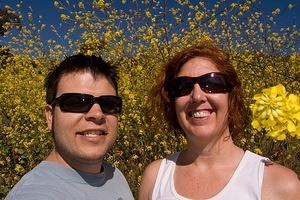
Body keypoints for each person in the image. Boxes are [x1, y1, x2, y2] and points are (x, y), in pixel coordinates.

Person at [139, 44, 300, 200]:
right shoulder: (155, 177)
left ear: (232, 98)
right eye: (183, 86)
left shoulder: (280, 184)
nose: (197, 96)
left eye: (212, 84)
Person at [5, 55, 134, 200]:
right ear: (50, 116)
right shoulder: (33, 194)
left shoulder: (114, 175)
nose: (97, 114)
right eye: (76, 102)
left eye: (109, 104)